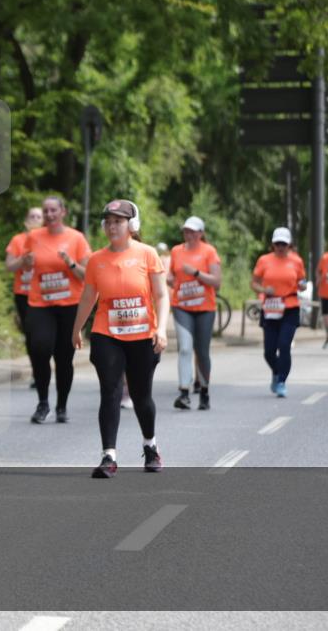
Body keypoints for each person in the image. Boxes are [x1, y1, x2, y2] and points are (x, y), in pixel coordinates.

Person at [72, 199, 167, 478]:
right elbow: (89, 296)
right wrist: (77, 327)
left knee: (141, 395)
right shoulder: (96, 260)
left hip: (142, 336)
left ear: (131, 225)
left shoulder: (148, 254)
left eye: (119, 221)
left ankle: (150, 446)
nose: (113, 227)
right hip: (107, 334)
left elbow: (161, 295)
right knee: (110, 392)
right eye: (109, 222)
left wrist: (160, 329)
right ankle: (108, 456)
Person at [24, 196, 92, 423]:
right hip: (40, 303)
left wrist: (70, 263)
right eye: (46, 211)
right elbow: (21, 263)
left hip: (69, 305)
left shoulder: (76, 238)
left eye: (54, 210)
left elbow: (88, 276)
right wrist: (25, 262)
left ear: (63, 211)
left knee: (64, 358)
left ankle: (61, 405)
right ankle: (43, 403)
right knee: (39, 348)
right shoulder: (33, 237)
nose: (50, 214)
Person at [166, 216, 222, 411]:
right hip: (182, 306)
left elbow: (216, 282)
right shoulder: (176, 251)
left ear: (200, 233)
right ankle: (183, 393)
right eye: (186, 231)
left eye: (192, 231)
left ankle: (204, 392)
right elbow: (171, 275)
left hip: (205, 308)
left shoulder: (209, 252)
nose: (188, 234)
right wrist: (171, 279)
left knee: (202, 351)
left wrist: (196, 273)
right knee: (184, 349)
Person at [251, 227, 306, 398]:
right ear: (272, 244)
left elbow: (301, 280)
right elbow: (254, 283)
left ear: (289, 245)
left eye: (283, 244)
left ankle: (282, 380)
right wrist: (263, 289)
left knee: (284, 345)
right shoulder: (264, 260)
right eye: (277, 243)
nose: (280, 247)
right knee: (269, 351)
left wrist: (303, 285)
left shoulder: (296, 261)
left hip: (290, 306)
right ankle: (276, 371)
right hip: (270, 307)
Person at [4, 207, 44, 372]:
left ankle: (44, 366)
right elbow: (9, 266)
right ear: (26, 221)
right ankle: (37, 370)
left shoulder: (49, 239)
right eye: (32, 216)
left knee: (45, 335)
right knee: (31, 335)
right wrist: (23, 260)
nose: (35, 219)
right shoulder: (17, 240)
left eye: (38, 216)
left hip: (45, 295)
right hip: (24, 294)